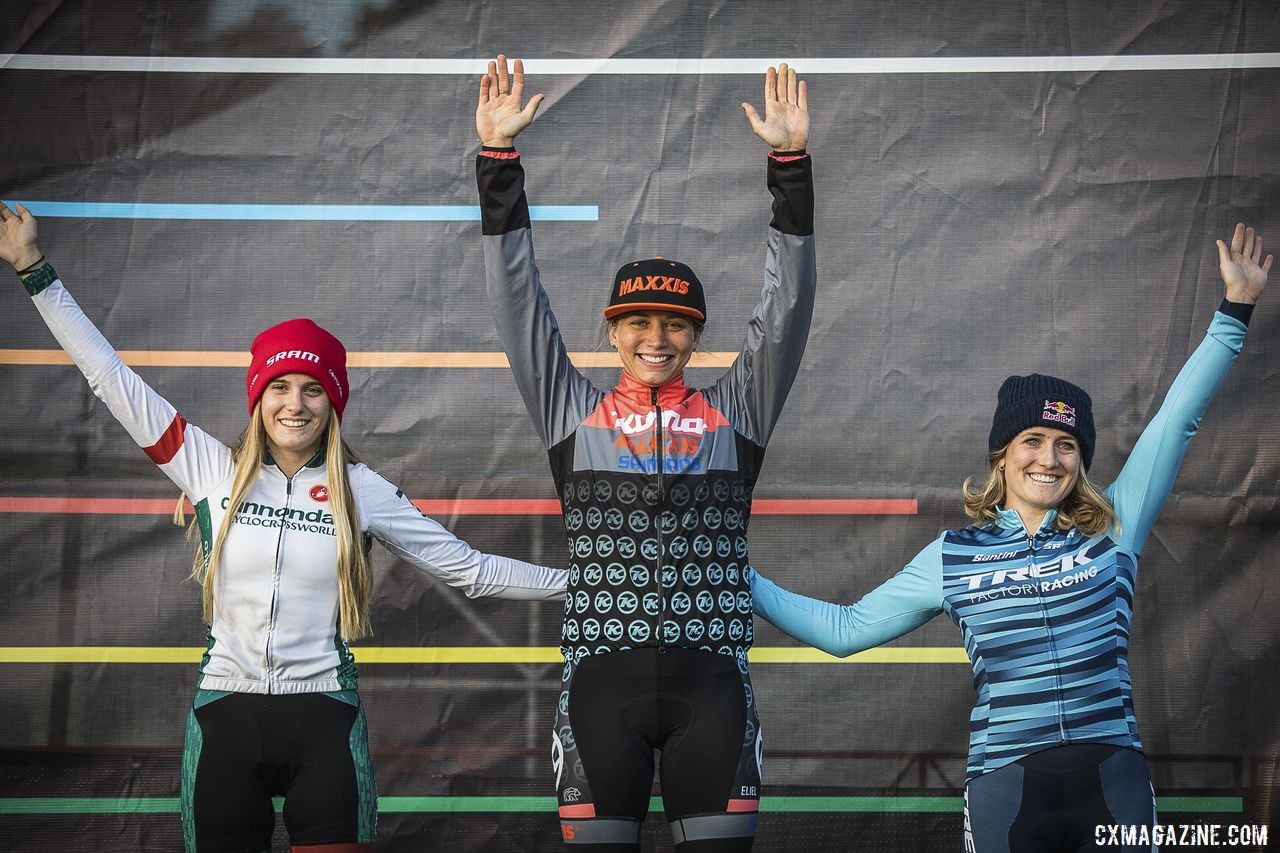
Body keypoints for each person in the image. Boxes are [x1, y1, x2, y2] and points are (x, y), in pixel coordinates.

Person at [0, 202, 567, 853]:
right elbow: (110, 378)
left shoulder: (363, 491)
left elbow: (472, 569)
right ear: (258, 396)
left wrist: (592, 583)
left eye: (312, 388)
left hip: (324, 718)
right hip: (224, 718)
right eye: (279, 386)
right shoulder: (207, 466)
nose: (294, 403)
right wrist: (35, 270)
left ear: (333, 403)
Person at [750, 223, 1271, 852]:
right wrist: (741, 577)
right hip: (1005, 785)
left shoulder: (1114, 527)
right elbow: (844, 632)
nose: (1048, 459)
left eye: (1066, 445)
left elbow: (1176, 421)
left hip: (1113, 780)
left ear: (1080, 460)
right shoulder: (954, 555)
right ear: (1003, 455)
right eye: (1033, 441)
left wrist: (1233, 311)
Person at [474, 55, 814, 851]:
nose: (655, 339)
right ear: (612, 331)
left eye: (674, 325)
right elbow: (517, 303)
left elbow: (787, 308)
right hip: (600, 687)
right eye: (638, 323)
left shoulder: (737, 414)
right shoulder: (573, 413)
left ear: (697, 336)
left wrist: (789, 169)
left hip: (714, 688)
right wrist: (498, 164)